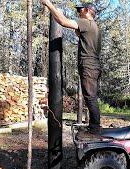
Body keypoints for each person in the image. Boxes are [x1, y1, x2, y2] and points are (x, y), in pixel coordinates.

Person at [41, 0, 102, 134]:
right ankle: (94, 127)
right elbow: (78, 33)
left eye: (80, 11)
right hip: (93, 66)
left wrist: (48, 4)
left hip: (89, 66)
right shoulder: (94, 27)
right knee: (90, 97)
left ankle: (95, 129)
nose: (78, 13)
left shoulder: (86, 22)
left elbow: (62, 22)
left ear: (87, 11)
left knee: (90, 97)